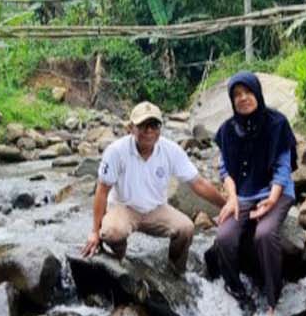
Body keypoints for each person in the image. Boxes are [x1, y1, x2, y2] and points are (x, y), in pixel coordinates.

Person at [83, 101, 226, 274]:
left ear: (160, 127)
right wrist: (94, 232)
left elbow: (198, 183)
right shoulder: (116, 151)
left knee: (186, 228)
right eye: (143, 125)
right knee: (112, 232)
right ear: (131, 128)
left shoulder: (170, 150)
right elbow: (102, 191)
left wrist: (226, 206)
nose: (149, 131)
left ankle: (175, 272)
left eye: (154, 125)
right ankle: (120, 262)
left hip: (157, 208)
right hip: (124, 207)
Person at [214, 72, 298, 313]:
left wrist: (271, 200)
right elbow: (224, 169)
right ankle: (237, 291)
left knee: (263, 234)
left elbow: (283, 167)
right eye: (237, 95)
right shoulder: (227, 130)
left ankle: (273, 298)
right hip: (242, 195)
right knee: (224, 238)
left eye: (248, 92)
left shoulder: (277, 123)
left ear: (258, 93)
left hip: (275, 191)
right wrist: (231, 199)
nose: (243, 98)